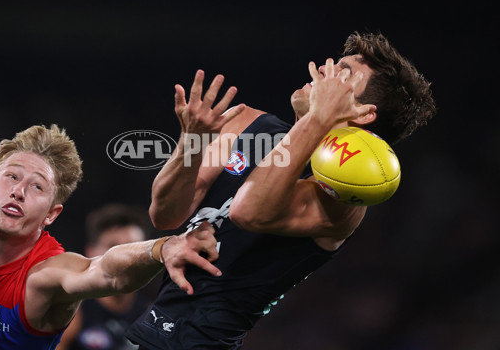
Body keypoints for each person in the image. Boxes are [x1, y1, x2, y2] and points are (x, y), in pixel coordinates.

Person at [126, 32, 436, 349]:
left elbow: (247, 212)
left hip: (203, 341)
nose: (324, 70)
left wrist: (319, 117)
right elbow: (165, 214)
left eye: (343, 74)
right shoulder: (249, 122)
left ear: (363, 112)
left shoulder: (345, 194)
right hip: (155, 325)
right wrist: (191, 141)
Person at [0, 124, 221, 350]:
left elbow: (107, 272)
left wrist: (161, 247)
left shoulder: (47, 274)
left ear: (51, 214)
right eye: (11, 176)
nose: (19, 191)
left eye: (37, 186)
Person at [56, 204, 155, 350]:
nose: (124, 259)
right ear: (91, 252)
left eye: (133, 248)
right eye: (113, 248)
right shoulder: (70, 314)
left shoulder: (152, 316)